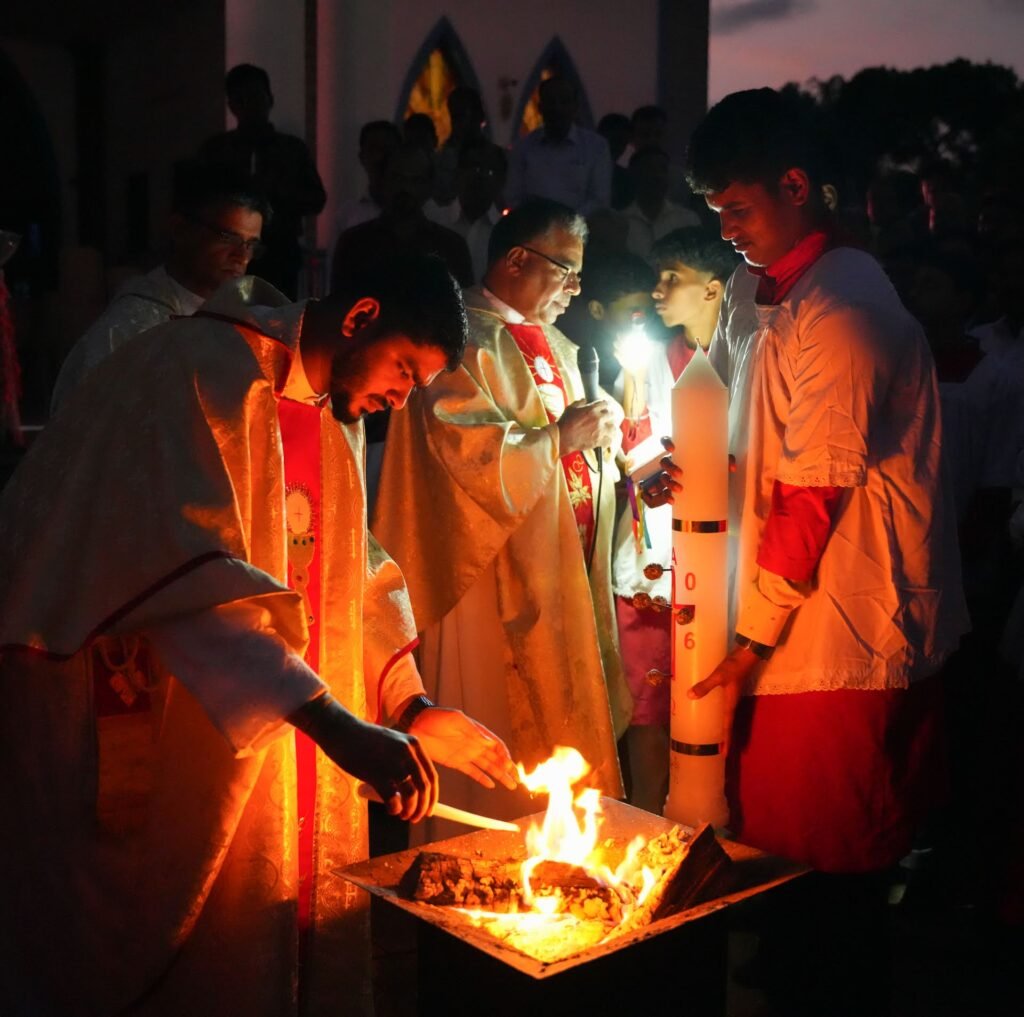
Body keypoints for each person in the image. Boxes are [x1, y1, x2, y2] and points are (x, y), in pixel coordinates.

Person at [0, 254, 516, 1017]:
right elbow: (197, 586)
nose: (401, 398)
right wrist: (337, 725)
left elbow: (354, 576)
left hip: (286, 739)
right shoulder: (201, 375)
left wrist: (410, 707)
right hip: (163, 720)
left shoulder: (329, 415)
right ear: (360, 317)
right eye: (405, 369)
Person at [675, 88, 969, 1015]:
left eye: (737, 208)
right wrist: (691, 472)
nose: (724, 231)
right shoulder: (757, 293)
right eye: (716, 210)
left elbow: (815, 489)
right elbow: (746, 434)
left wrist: (751, 637)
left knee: (832, 873)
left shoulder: (844, 306)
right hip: (780, 615)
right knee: (781, 862)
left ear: (797, 186)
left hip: (840, 631)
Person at [372, 199, 631, 841]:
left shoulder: (562, 346)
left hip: (565, 571)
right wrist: (562, 438)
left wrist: (609, 438)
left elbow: (587, 450)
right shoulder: (461, 338)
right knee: (492, 714)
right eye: (565, 270)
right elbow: (468, 454)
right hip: (484, 581)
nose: (575, 289)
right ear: (516, 259)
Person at [605, 230, 736, 813]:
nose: (657, 290)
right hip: (651, 559)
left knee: (711, 700)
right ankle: (644, 815)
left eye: (672, 278)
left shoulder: (746, 358)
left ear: (713, 289)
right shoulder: (649, 358)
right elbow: (628, 443)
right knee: (648, 704)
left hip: (722, 559)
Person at [51, 164, 268, 412]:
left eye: (251, 245)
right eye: (228, 238)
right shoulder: (129, 330)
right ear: (179, 229)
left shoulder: (246, 324)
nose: (242, 256)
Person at [199, 63, 327, 298]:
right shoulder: (218, 151)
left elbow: (316, 198)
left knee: (277, 313)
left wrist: (278, 194)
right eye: (242, 100)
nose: (251, 107)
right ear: (232, 106)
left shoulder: (291, 149)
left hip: (279, 253)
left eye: (256, 97)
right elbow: (202, 200)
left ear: (270, 100)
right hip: (228, 255)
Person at [505, 76, 611, 215]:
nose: (557, 108)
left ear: (575, 107)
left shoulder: (595, 147)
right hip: (534, 224)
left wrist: (569, 221)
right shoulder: (523, 148)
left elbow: (599, 199)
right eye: (551, 102)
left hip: (581, 226)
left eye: (564, 101)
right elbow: (513, 196)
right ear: (540, 108)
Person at [425, 138, 507, 284]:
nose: (480, 177)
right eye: (474, 168)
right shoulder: (434, 219)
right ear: (458, 173)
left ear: (501, 181)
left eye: (489, 172)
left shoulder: (505, 233)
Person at [622, 147, 700, 258]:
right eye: (650, 170)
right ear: (635, 175)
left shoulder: (688, 220)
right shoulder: (621, 224)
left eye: (663, 169)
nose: (658, 176)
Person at [333, 120, 402, 236]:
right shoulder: (346, 214)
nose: (381, 156)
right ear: (362, 157)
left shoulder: (423, 211)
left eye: (388, 149)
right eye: (374, 149)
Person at [433, 86, 489, 207]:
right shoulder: (442, 159)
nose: (460, 123)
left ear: (480, 116)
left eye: (464, 115)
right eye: (456, 116)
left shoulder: (494, 157)